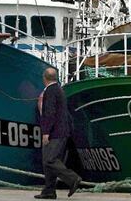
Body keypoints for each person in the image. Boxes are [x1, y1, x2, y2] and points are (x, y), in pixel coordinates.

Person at [35, 68, 81, 199]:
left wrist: (45, 132)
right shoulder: (59, 90)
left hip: (55, 132)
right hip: (61, 131)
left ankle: (73, 179)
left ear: (44, 78)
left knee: (50, 160)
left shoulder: (50, 91)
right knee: (47, 162)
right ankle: (49, 191)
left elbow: (49, 112)